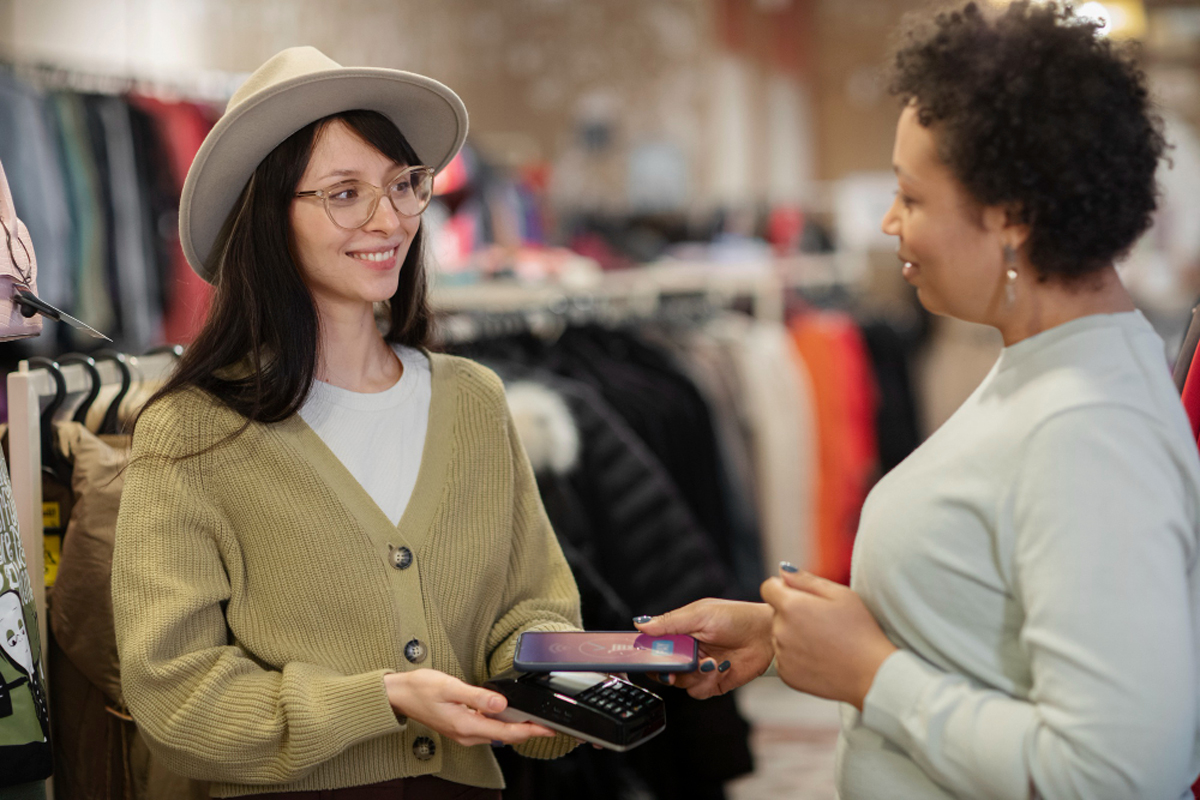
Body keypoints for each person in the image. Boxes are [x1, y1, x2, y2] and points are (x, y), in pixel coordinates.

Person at [637, 2, 1200, 797]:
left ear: (1010, 217)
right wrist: (787, 634)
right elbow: (999, 618)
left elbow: (1115, 772)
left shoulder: (1086, 428)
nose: (889, 222)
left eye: (911, 197)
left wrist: (872, 674)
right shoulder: (1049, 368)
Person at [110, 46, 582, 799]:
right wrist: (381, 700)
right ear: (269, 218)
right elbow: (177, 696)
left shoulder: (474, 401)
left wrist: (571, 678)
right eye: (344, 193)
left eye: (402, 184)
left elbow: (532, 607)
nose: (388, 218)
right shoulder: (192, 431)